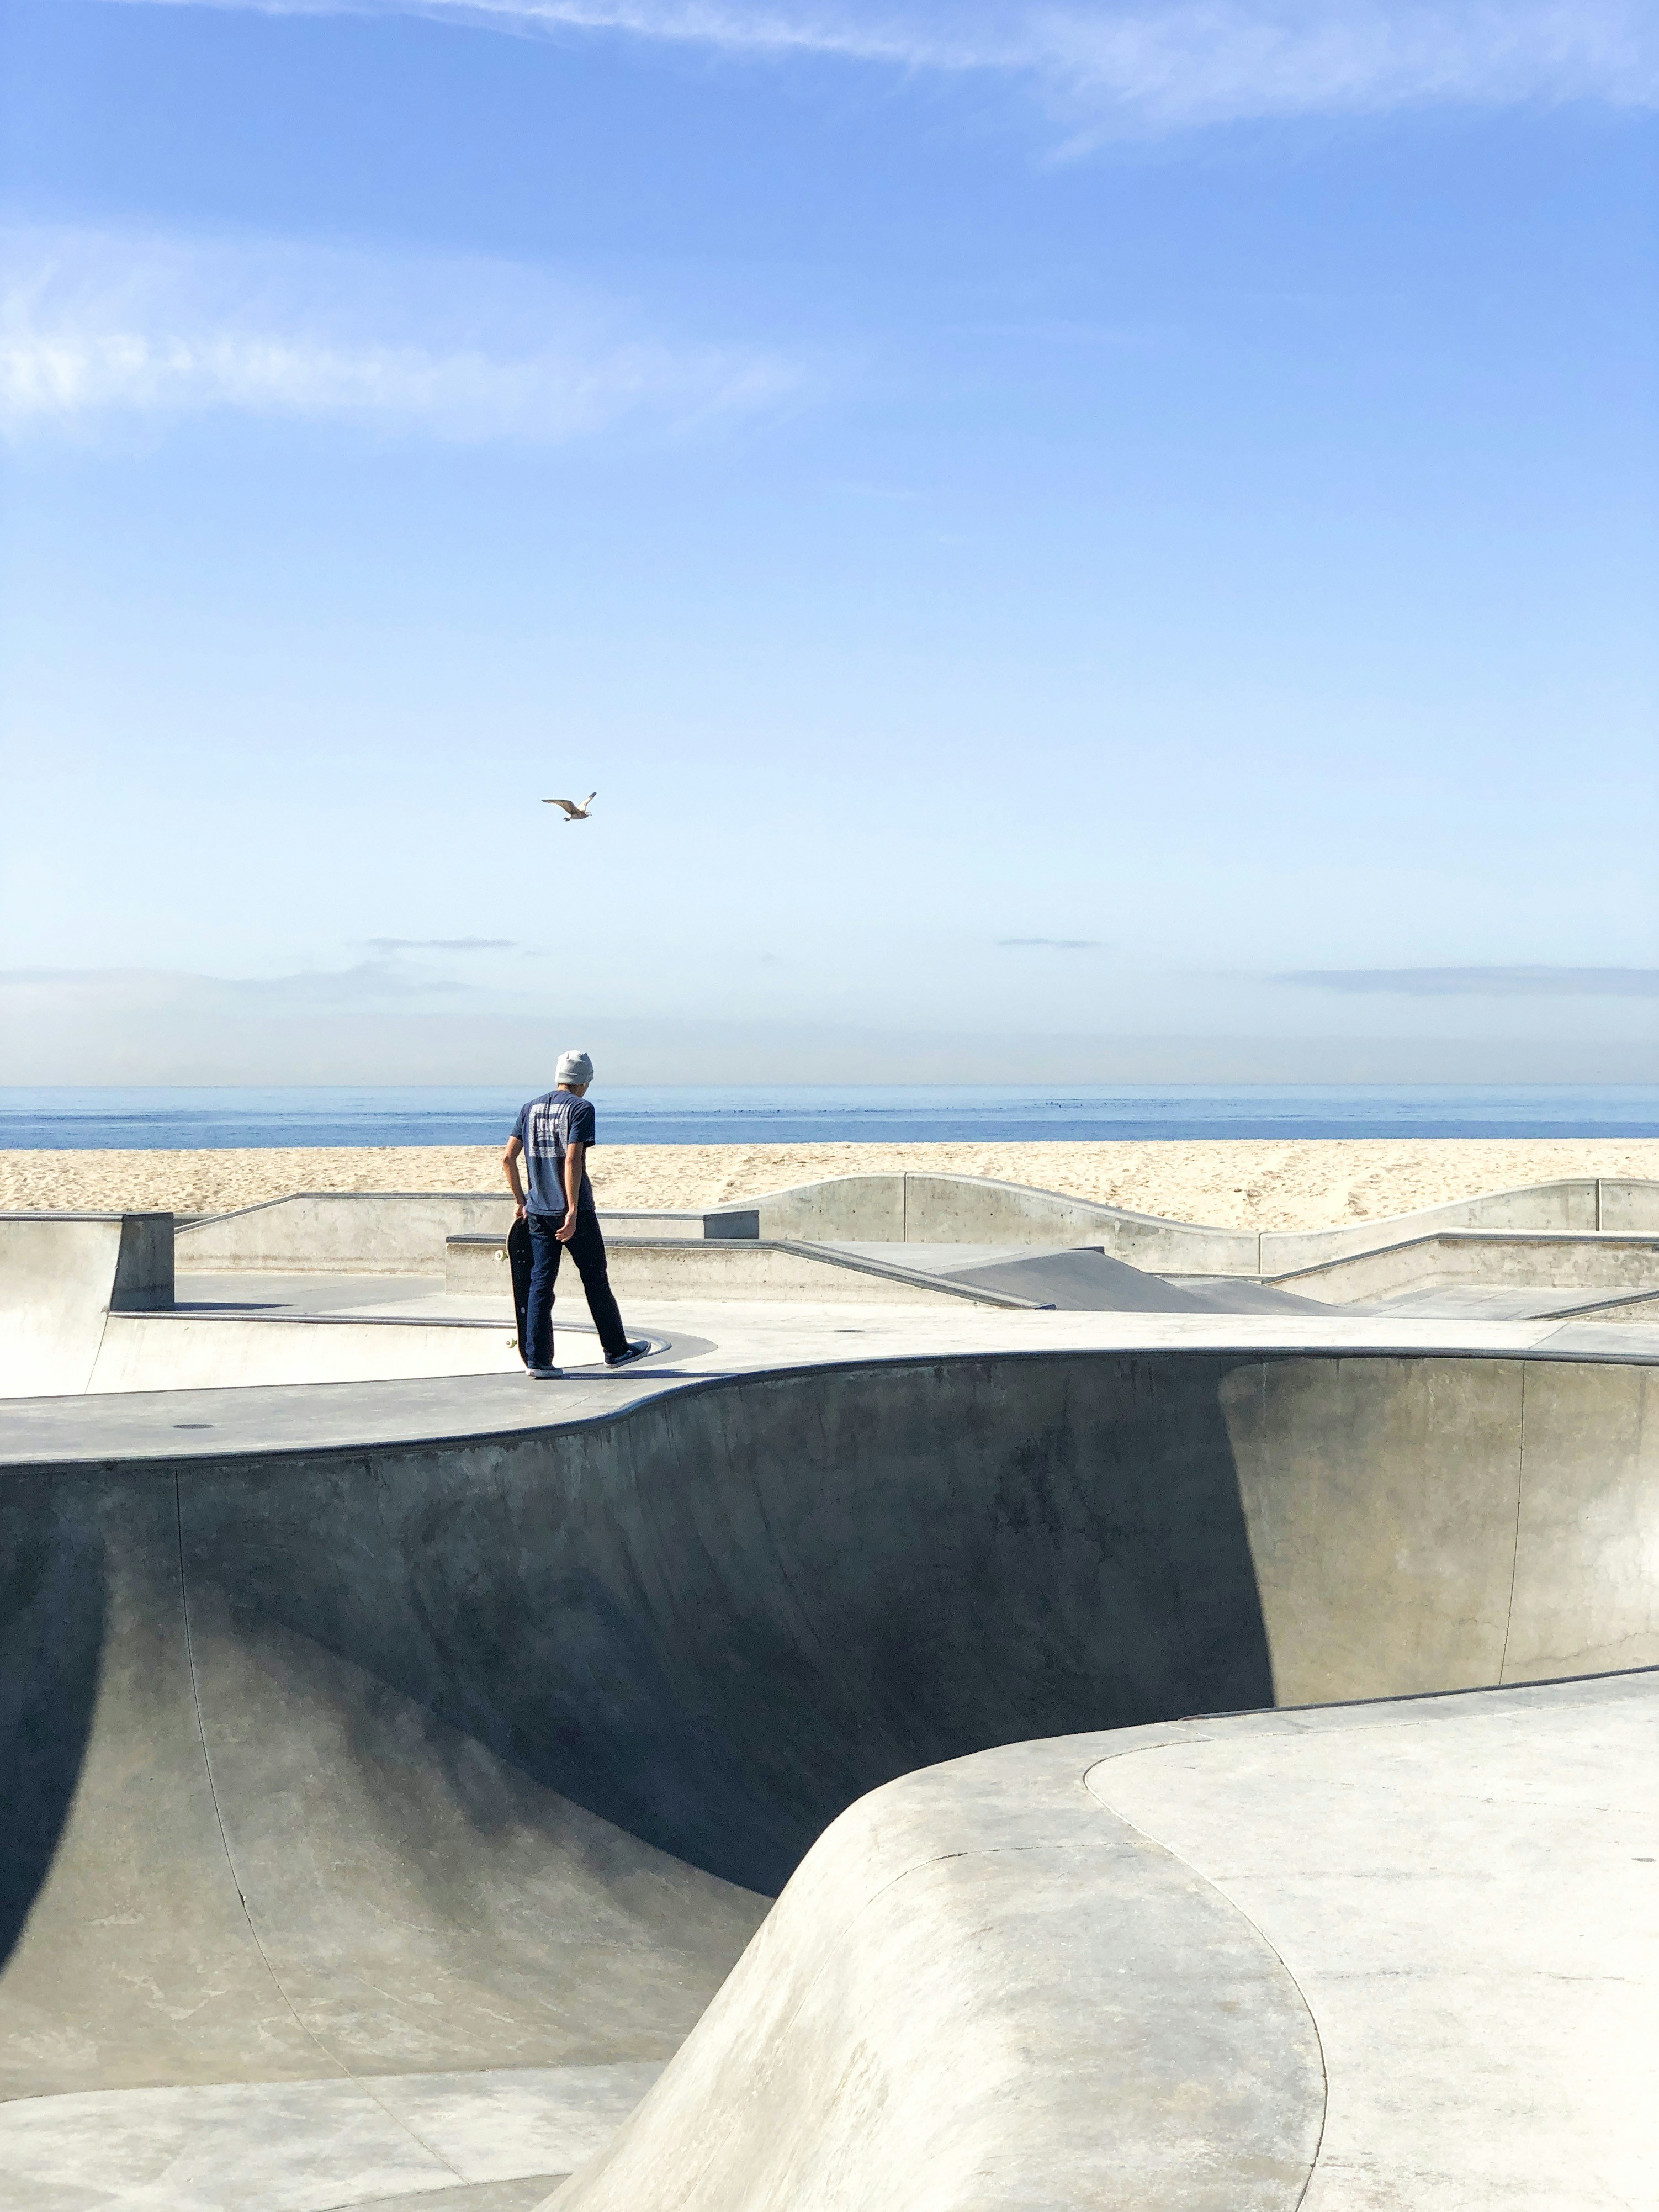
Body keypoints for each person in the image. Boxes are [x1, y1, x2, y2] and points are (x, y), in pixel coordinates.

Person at [502, 1050, 649, 1378]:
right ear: (584, 1081)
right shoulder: (581, 1109)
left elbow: (507, 1158)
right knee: (595, 1279)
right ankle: (616, 1350)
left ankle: (539, 1361)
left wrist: (520, 1200)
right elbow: (573, 1161)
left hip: (538, 1210)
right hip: (575, 1211)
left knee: (541, 1282)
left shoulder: (530, 1108)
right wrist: (571, 1211)